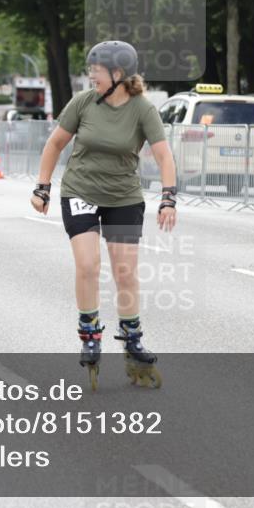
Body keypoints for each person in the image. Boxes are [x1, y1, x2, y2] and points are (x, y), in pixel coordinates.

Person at [31, 40, 177, 391]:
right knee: (88, 265)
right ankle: (90, 333)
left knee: (125, 270)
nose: (90, 76)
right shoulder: (83, 103)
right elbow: (54, 144)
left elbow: (164, 156)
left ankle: (131, 338)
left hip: (123, 197)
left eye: (95, 70)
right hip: (80, 191)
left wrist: (169, 199)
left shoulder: (143, 110)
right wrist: (43, 186)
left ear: (118, 74)